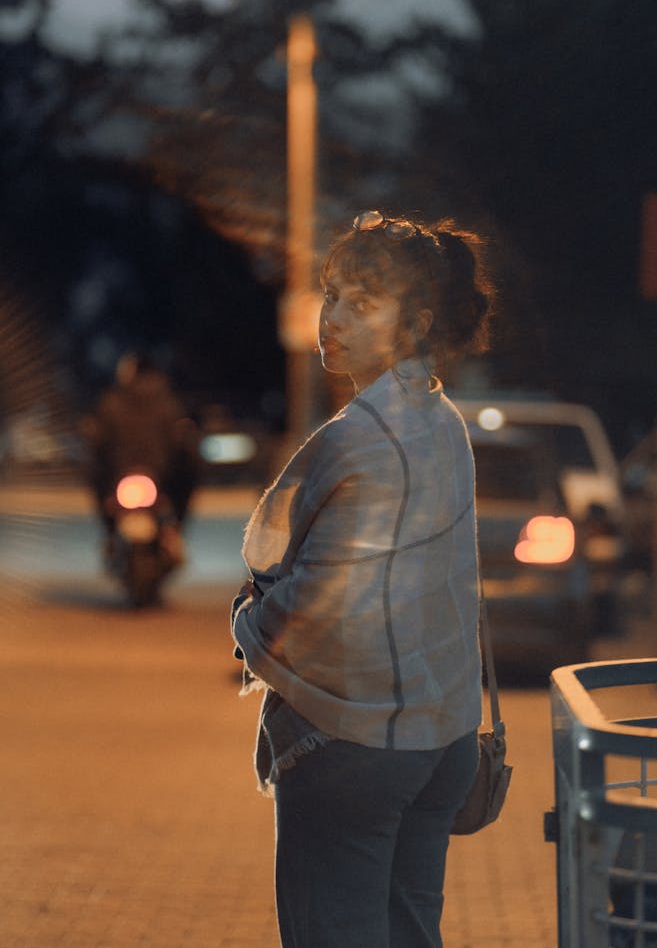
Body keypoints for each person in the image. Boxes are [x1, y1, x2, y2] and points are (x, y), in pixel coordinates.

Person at [230, 210, 494, 948]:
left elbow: (312, 608)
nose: (332, 318)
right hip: (441, 734)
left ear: (415, 322)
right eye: (332, 293)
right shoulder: (442, 421)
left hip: (358, 743)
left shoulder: (360, 440)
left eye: (361, 301)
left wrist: (245, 624)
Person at [86, 353, 200, 537]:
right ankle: (175, 534)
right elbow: (183, 448)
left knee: (95, 477)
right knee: (189, 475)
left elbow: (98, 446)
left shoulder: (111, 403)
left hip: (121, 479)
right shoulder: (170, 403)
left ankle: (110, 534)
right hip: (159, 480)